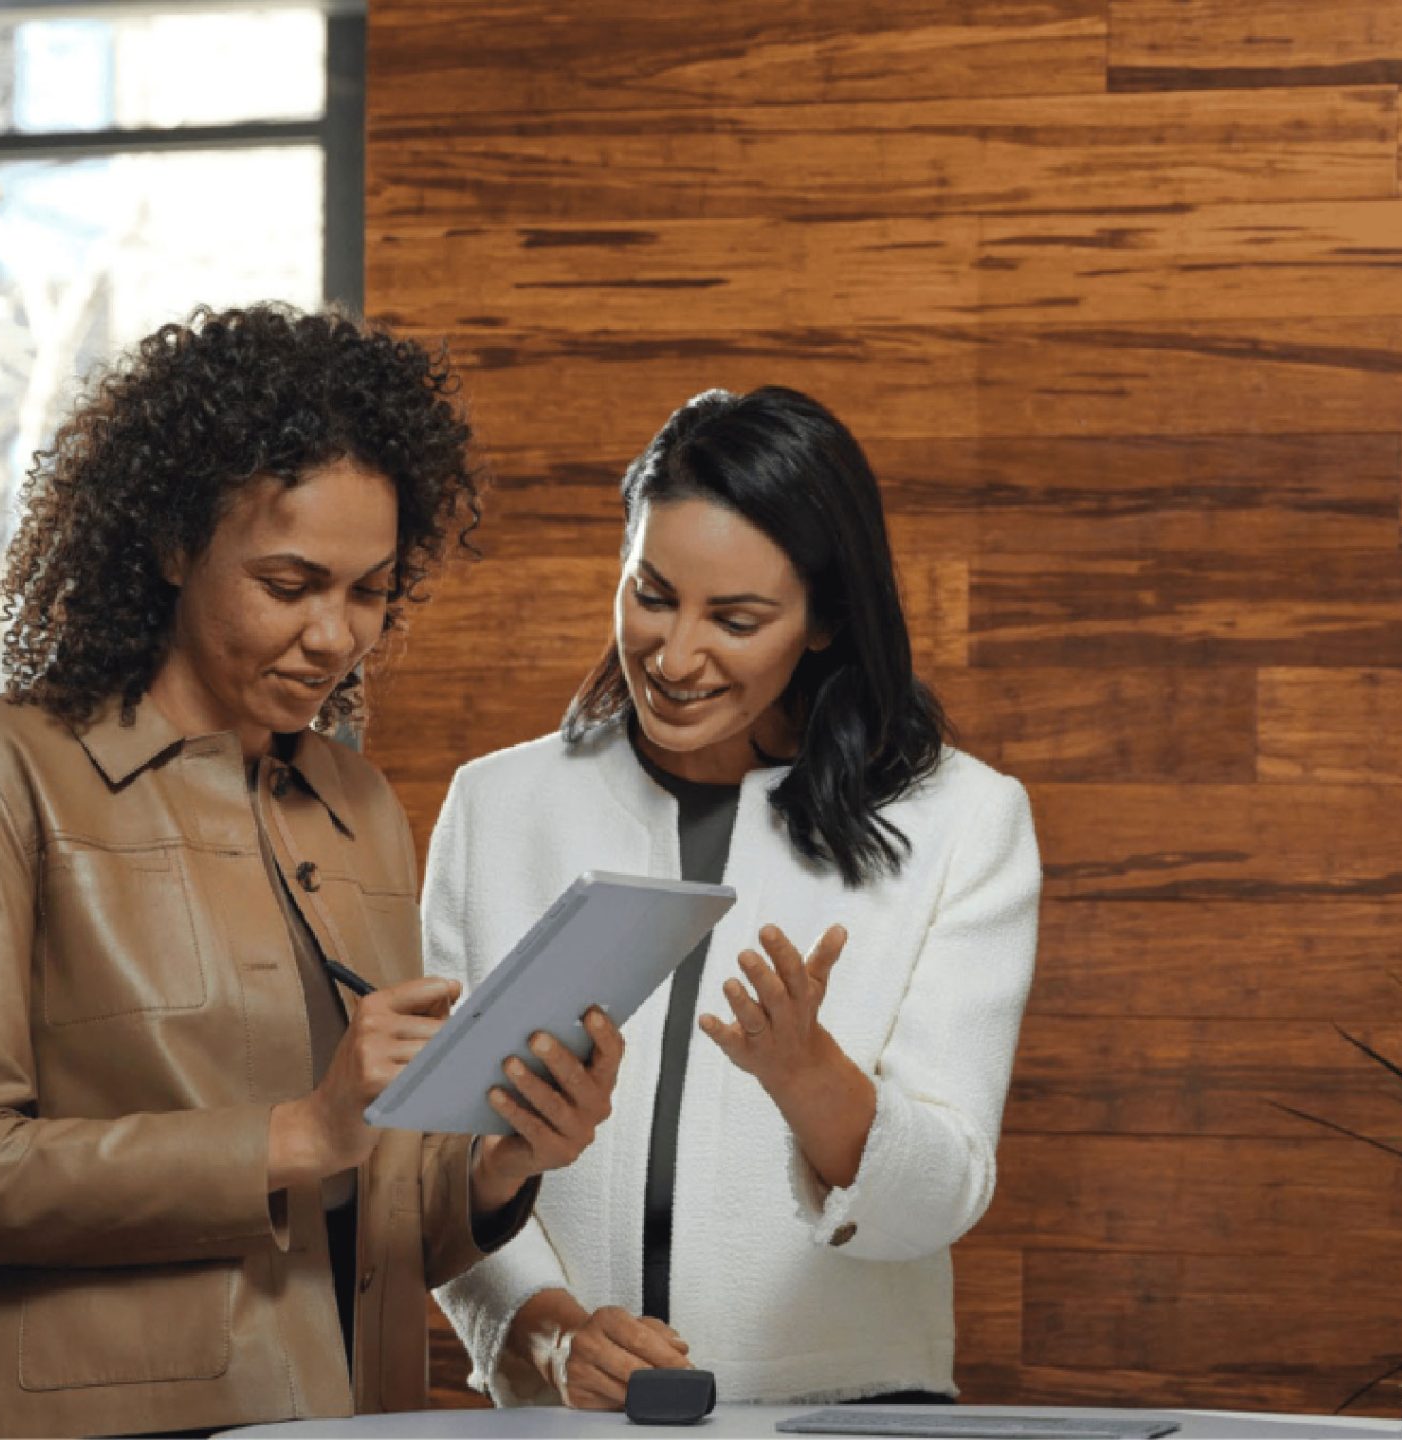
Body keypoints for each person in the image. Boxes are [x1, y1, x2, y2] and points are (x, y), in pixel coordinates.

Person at [0, 304, 623, 1438]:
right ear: (175, 545)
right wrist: (298, 1135)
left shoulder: (357, 804)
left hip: (349, 1419)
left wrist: (500, 1164)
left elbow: (383, 1216)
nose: (337, 636)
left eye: (370, 592)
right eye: (290, 585)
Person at [423, 386, 1041, 1409]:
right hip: (576, 1425)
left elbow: (943, 1194)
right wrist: (548, 1338)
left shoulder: (963, 822)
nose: (673, 658)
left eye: (737, 619)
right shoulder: (498, 807)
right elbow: (438, 1169)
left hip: (846, 1422)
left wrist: (811, 1080)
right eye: (651, 595)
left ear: (828, 619)